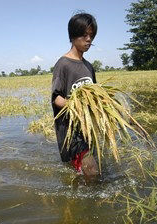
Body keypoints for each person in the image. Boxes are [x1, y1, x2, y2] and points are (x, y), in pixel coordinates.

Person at [51, 12, 99, 177]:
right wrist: (75, 106)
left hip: (87, 130)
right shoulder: (63, 64)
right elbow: (56, 97)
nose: (88, 39)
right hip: (71, 132)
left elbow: (95, 96)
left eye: (91, 35)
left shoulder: (89, 67)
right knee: (92, 172)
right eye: (84, 35)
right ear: (73, 36)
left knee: (85, 174)